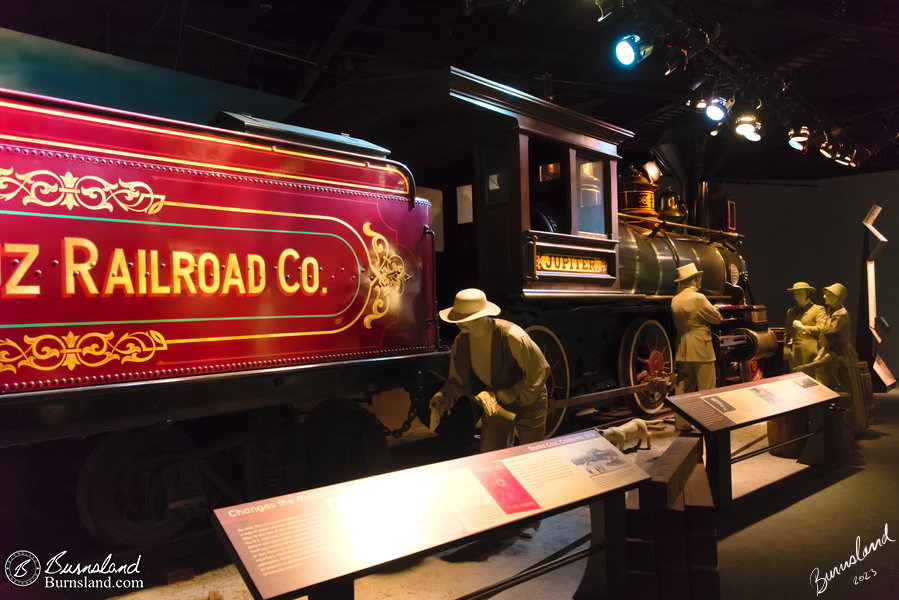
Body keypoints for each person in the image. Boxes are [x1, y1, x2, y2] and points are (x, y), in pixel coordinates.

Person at [429, 288, 550, 452]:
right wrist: (442, 397)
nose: (457, 323)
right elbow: (458, 381)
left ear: (479, 318)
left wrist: (515, 392)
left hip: (529, 398)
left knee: (532, 455)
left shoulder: (512, 336)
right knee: (492, 456)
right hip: (495, 403)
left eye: (462, 319)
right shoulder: (461, 341)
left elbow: (540, 370)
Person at [807, 283, 869, 430]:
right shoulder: (833, 312)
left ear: (836, 297)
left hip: (838, 353)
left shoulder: (840, 314)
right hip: (831, 349)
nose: (823, 297)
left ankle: (843, 424)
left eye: (827, 295)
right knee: (832, 385)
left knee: (840, 385)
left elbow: (831, 334)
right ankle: (832, 422)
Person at [671, 263, 723, 428]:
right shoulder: (698, 298)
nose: (700, 280)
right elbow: (716, 318)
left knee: (684, 386)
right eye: (698, 277)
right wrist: (715, 310)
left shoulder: (675, 300)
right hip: (701, 346)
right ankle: (709, 422)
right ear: (693, 279)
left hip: (683, 346)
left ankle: (682, 422)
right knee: (707, 387)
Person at [784, 282, 827, 373]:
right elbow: (787, 332)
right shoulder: (791, 311)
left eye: (801, 293)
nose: (797, 295)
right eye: (795, 293)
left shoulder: (818, 309)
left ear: (808, 293)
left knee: (810, 381)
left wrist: (803, 328)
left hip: (811, 352)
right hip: (794, 353)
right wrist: (786, 348)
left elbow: (822, 328)